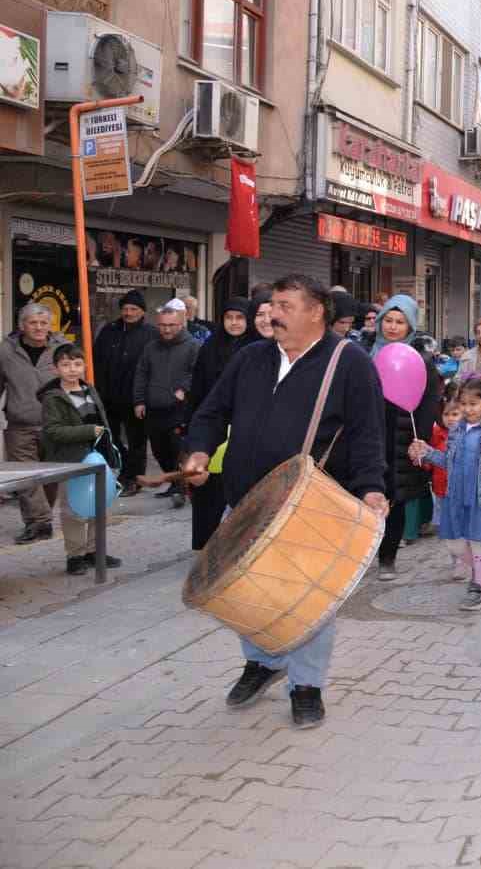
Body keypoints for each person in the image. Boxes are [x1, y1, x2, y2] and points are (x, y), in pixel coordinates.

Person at [183, 275, 388, 729]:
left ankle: (307, 685)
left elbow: (369, 433)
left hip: (309, 507)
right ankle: (263, 662)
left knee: (308, 600)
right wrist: (198, 449)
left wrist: (372, 487)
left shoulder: (349, 363)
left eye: (284, 305)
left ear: (316, 311)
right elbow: (212, 412)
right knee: (247, 589)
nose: (273, 313)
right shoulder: (250, 358)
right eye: (272, 304)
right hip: (245, 500)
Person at [409, 378, 481, 610]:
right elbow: (447, 461)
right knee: (453, 544)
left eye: (473, 404)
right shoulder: (457, 430)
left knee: (478, 543)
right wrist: (427, 452)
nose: (467, 409)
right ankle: (480, 570)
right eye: (463, 404)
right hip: (455, 496)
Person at [371, 295, 444, 581]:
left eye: (400, 322)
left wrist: (419, 439)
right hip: (369, 434)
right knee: (365, 495)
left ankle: (387, 558)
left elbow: (429, 402)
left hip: (402, 437)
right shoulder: (365, 353)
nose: (392, 327)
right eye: (388, 320)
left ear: (410, 325)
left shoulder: (421, 360)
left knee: (395, 498)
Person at [40, 343, 122, 574]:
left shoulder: (89, 389)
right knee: (74, 510)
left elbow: (103, 424)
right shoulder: (53, 398)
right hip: (71, 460)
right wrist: (88, 431)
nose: (72, 369)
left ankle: (94, 551)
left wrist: (111, 451)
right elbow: (53, 431)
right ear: (56, 368)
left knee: (101, 506)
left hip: (97, 459)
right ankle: (74, 556)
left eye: (77, 364)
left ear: (84, 366)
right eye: (66, 365)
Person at [187, 297, 261, 549]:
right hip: (212, 428)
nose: (234, 323)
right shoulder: (210, 348)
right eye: (229, 317)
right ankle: (205, 546)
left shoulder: (256, 349)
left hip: (242, 429)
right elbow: (197, 389)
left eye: (240, 318)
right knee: (208, 492)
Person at [3, 303, 70, 543]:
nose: (39, 327)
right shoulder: (6, 350)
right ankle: (39, 522)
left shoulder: (63, 348)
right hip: (19, 424)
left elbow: (75, 383)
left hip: (55, 425)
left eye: (43, 323)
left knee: (49, 477)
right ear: (22, 326)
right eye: (33, 323)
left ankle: (41, 519)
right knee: (25, 476)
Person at [91, 291, 156, 500]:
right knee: (109, 437)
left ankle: (133, 478)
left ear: (142, 311)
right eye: (125, 309)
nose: (128, 313)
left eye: (133, 309)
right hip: (108, 395)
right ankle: (125, 468)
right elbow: (96, 359)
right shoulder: (109, 331)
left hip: (135, 398)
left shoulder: (151, 333)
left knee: (137, 441)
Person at [133, 304, 199, 509]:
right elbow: (141, 374)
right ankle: (174, 483)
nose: (166, 329)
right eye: (162, 325)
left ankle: (180, 489)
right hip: (154, 408)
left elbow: (198, 372)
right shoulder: (151, 347)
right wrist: (139, 400)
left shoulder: (193, 346)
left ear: (181, 324)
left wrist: (184, 389)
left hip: (179, 410)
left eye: (171, 325)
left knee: (177, 449)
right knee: (160, 450)